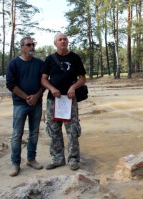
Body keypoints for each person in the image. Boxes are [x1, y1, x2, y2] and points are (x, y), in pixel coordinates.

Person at [41, 33, 87, 171]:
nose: (63, 41)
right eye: (60, 40)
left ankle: (73, 159)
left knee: (72, 130)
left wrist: (73, 87)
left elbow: (82, 78)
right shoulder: (49, 59)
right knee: (54, 130)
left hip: (69, 99)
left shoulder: (75, 58)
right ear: (55, 43)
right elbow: (43, 79)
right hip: (53, 100)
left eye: (65, 39)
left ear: (67, 42)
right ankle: (57, 159)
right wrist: (52, 88)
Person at [6, 36, 45, 177]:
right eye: (28, 45)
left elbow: (44, 82)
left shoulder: (40, 63)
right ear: (22, 47)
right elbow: (10, 84)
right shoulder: (13, 64)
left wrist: (36, 96)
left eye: (33, 44)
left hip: (37, 104)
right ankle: (15, 163)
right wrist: (26, 97)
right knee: (17, 134)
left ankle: (31, 159)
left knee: (34, 133)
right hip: (20, 105)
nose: (31, 47)